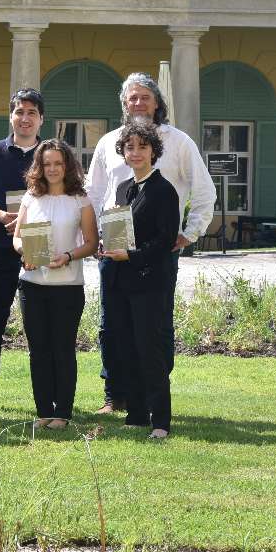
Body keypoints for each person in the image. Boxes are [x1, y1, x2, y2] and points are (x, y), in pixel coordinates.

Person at [85, 73, 215, 414]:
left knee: (155, 326)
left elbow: (204, 190)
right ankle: (115, 395)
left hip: (156, 252)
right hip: (113, 247)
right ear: (124, 105)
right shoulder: (109, 142)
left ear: (158, 102)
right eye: (132, 98)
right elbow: (94, 192)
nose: (138, 103)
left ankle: (154, 396)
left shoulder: (179, 142)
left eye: (145, 97)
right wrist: (94, 233)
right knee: (111, 325)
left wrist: (191, 231)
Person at [97, 122, 180, 439]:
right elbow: (119, 233)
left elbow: (164, 241)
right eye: (129, 147)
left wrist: (131, 256)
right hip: (120, 283)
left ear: (153, 152)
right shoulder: (123, 189)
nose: (135, 152)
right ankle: (135, 413)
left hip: (149, 284)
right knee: (126, 347)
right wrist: (108, 246)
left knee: (151, 350)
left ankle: (160, 421)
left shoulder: (164, 191)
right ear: (123, 152)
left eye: (142, 147)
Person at [12, 139, 98, 429]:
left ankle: (62, 412)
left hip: (68, 285)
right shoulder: (30, 197)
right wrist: (25, 251)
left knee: (62, 348)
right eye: (46, 163)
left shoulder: (80, 200)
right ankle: (43, 411)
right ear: (39, 167)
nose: (52, 169)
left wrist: (68, 255)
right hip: (32, 284)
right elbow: (17, 237)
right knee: (38, 349)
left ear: (67, 165)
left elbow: (91, 243)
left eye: (57, 163)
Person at [0, 88, 44, 415]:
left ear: (41, 119)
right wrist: (1, 215)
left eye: (32, 112)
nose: (25, 118)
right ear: (11, 116)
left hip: (39, 246)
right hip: (1, 248)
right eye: (20, 112)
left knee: (43, 327)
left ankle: (48, 399)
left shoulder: (50, 153)